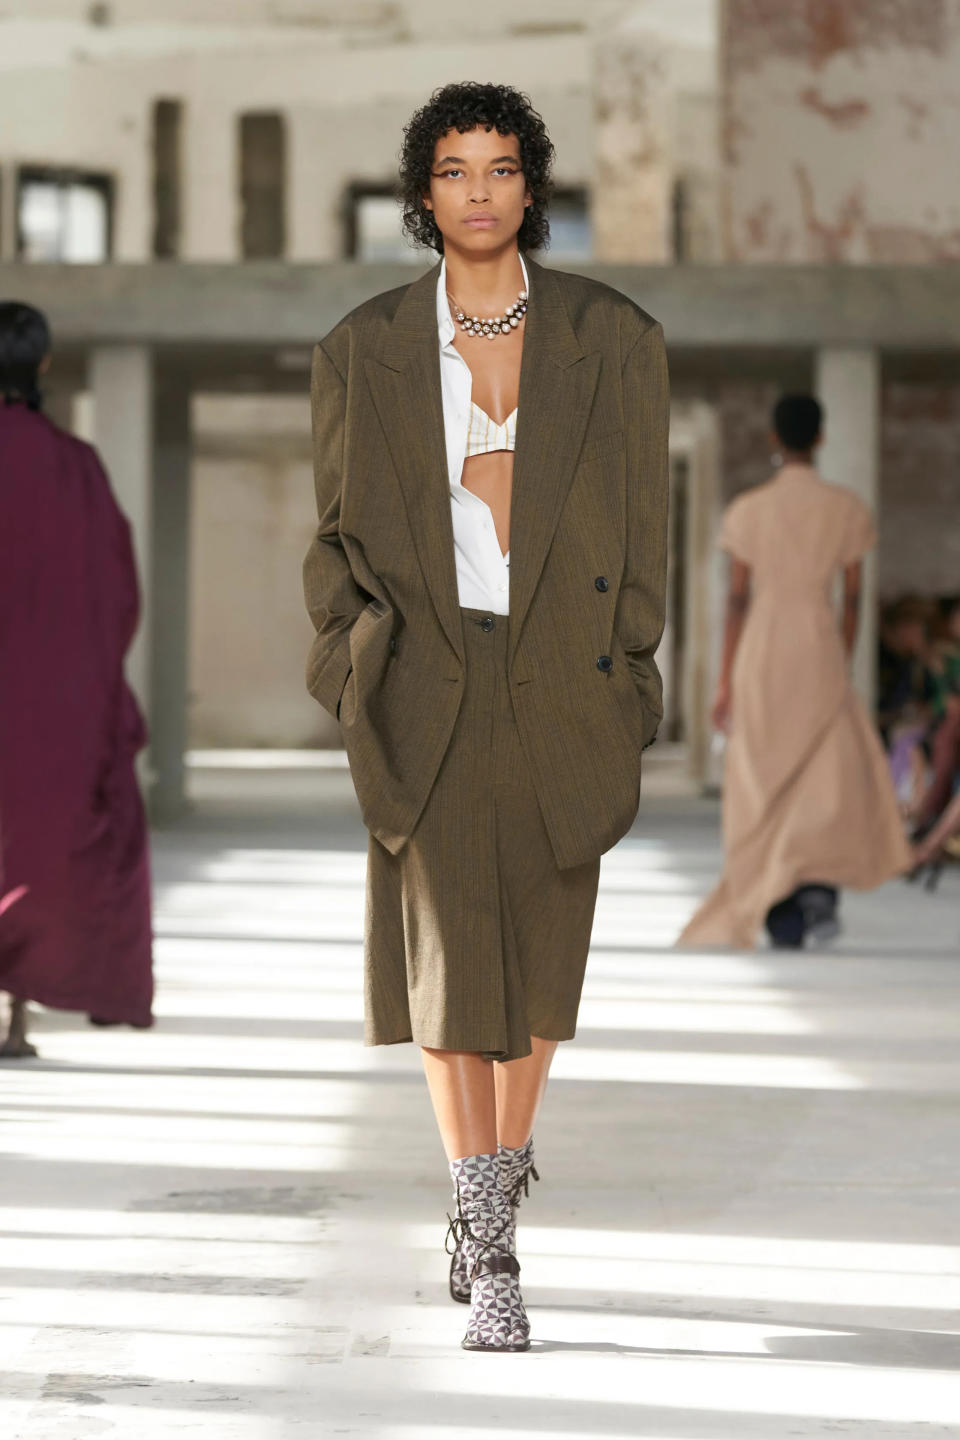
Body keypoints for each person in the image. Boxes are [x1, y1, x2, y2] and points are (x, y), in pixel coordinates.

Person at [303, 82, 669, 1351]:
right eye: (452, 171)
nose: (477, 191)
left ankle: (493, 1183)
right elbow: (334, 541)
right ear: (422, 194)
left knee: (539, 975)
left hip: (566, 684)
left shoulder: (614, 339)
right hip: (426, 686)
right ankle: (492, 1235)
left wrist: (628, 688)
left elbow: (645, 538)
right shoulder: (361, 349)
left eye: (499, 169)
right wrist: (353, 673)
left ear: (532, 188)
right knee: (450, 968)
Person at [677, 393, 912, 951]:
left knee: (763, 779)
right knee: (822, 777)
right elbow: (853, 599)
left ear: (775, 440)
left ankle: (781, 912)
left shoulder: (748, 510)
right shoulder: (848, 508)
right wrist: (842, 654)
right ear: (821, 438)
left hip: (763, 644)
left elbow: (736, 600)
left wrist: (726, 679)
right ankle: (818, 895)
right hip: (819, 642)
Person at [0, 302, 153, 1057]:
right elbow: (116, 592)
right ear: (45, 368)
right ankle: (17, 1015)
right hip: (49, 699)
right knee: (34, 845)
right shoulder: (75, 468)